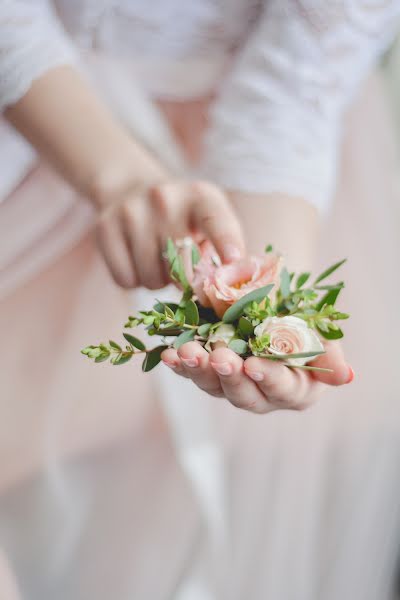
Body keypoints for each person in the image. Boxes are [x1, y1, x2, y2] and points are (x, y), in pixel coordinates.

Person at [0, 2, 399, 599]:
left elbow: (298, 79)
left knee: (149, 512)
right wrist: (121, 178)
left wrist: (269, 292)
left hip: (265, 160)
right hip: (36, 118)